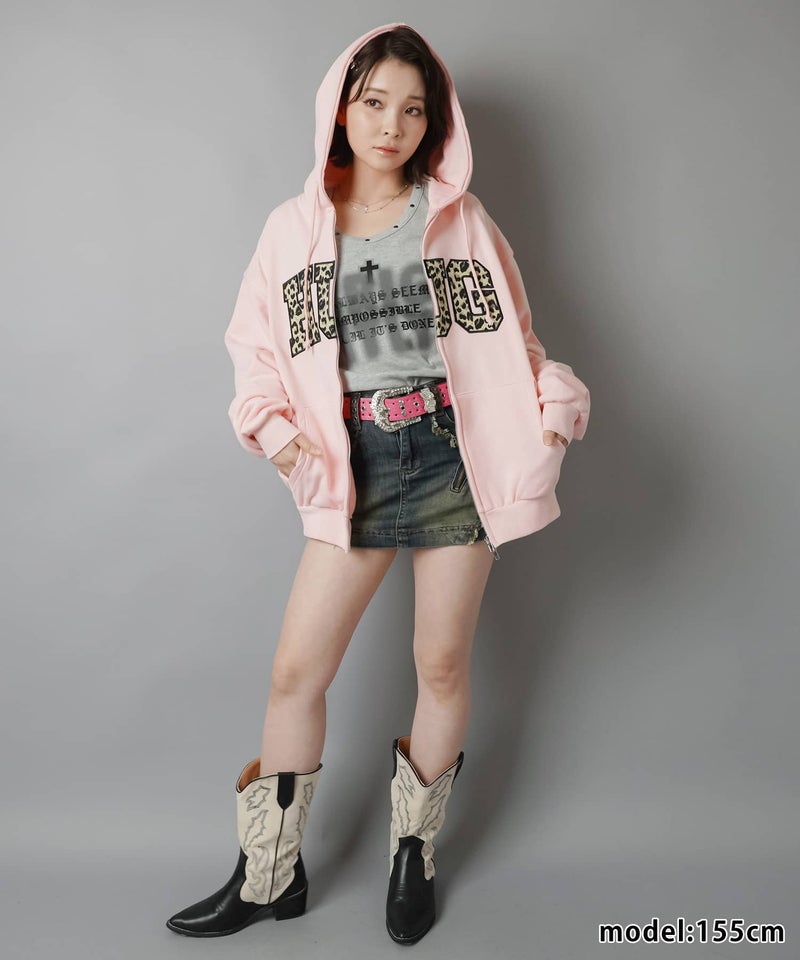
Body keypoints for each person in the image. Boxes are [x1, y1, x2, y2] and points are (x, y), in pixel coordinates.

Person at [166, 21, 590, 946]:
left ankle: (413, 858)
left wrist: (554, 413)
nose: (391, 125)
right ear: (341, 108)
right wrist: (278, 436)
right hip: (351, 463)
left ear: (435, 123)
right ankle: (270, 875)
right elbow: (254, 352)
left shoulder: (462, 220)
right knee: (296, 673)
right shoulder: (292, 229)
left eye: (413, 109)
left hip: (450, 457)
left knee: (440, 665)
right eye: (373, 103)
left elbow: (517, 345)